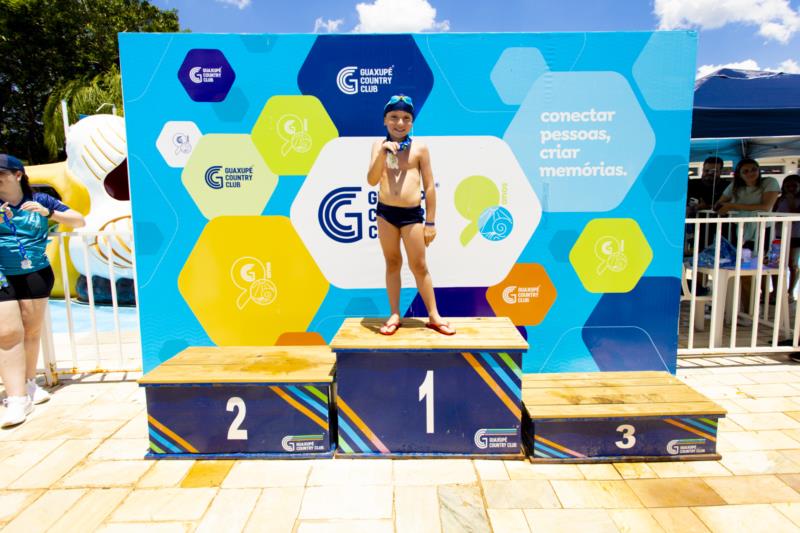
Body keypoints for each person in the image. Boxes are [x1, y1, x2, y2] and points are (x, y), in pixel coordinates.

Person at [0, 154, 85, 427]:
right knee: (7, 334)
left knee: (31, 331)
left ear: (17, 175)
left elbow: (78, 220)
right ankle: (16, 399)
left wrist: (48, 213)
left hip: (35, 272)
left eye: (1, 173)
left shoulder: (40, 200)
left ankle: (28, 384)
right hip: (2, 274)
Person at [366, 95, 455, 336]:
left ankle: (434, 315)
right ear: (385, 120)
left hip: (412, 215)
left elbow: (429, 186)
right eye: (394, 117)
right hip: (386, 214)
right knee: (392, 262)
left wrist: (430, 222)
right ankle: (395, 314)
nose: (400, 122)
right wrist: (383, 153)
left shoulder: (419, 148)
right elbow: (372, 180)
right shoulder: (378, 146)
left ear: (412, 122)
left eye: (406, 118)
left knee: (419, 265)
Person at [715, 158, 780, 248]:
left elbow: (765, 207)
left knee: (761, 255)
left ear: (759, 170)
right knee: (736, 255)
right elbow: (719, 203)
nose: (750, 173)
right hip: (738, 227)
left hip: (763, 228)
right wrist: (724, 207)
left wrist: (731, 205)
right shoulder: (735, 185)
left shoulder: (769, 182)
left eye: (754, 169)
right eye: (745, 171)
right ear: (739, 174)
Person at [773, 174, 800, 300]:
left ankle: (790, 292)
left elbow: (794, 214)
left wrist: (791, 200)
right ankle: (776, 291)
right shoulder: (779, 199)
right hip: (779, 235)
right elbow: (773, 214)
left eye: (794, 186)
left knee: (792, 264)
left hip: (796, 236)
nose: (791, 188)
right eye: (788, 186)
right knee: (775, 264)